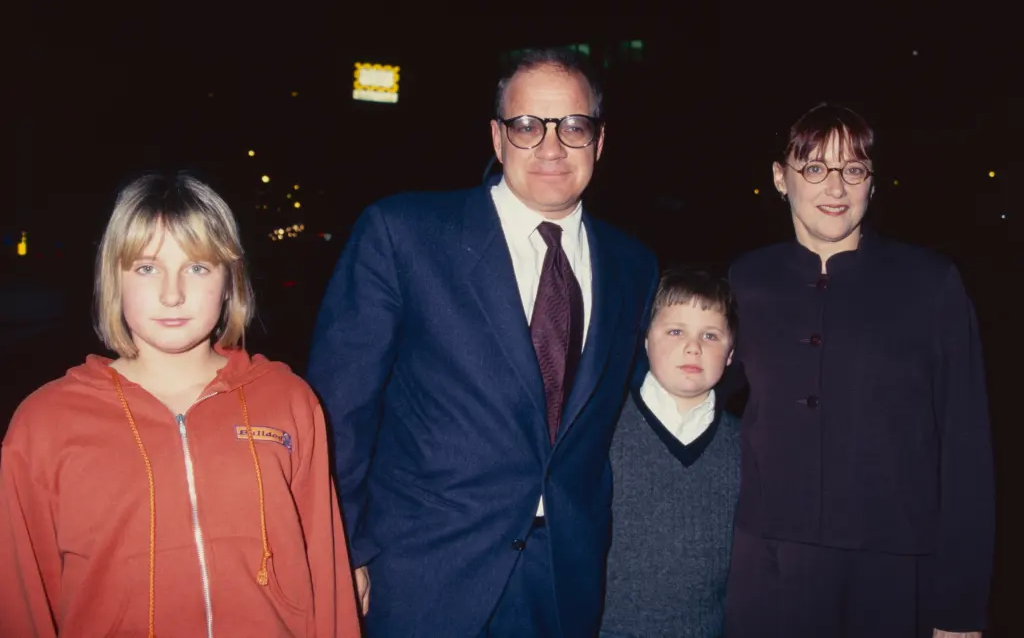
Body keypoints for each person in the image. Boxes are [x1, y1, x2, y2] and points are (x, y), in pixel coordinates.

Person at [307, 47, 659, 638]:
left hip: (563, 581)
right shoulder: (404, 234)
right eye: (527, 126)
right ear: (497, 139)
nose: (551, 146)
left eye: (574, 126)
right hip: (423, 574)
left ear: (600, 142)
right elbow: (337, 411)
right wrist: (346, 548)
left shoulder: (634, 265)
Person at [0, 173, 361, 638]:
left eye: (197, 267)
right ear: (114, 278)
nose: (172, 294)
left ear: (230, 279)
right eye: (147, 268)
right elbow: (20, 601)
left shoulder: (287, 400)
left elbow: (326, 575)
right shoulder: (45, 424)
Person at [723, 104, 995, 638]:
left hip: (893, 572)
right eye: (815, 168)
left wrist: (960, 607)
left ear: (873, 180)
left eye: (854, 169)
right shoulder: (746, 279)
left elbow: (966, 447)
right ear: (781, 178)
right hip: (771, 568)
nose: (836, 187)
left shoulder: (930, 283)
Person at [600, 267, 742, 638]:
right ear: (646, 340)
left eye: (710, 335)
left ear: (730, 354)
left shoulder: (748, 445)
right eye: (675, 331)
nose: (693, 347)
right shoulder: (600, 431)